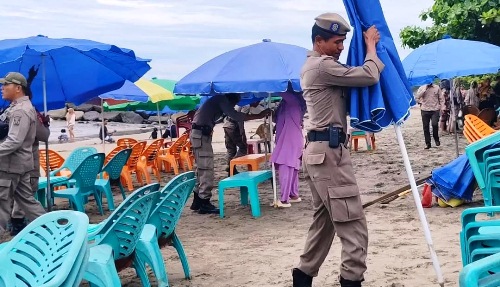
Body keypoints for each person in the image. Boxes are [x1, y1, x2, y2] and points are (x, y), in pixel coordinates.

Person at [292, 13, 384, 287]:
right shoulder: (321, 67)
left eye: (344, 41)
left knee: (325, 223)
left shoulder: (318, 65)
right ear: (319, 41)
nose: (341, 48)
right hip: (329, 153)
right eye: (337, 42)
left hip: (323, 151)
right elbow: (368, 74)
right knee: (353, 225)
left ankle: (303, 275)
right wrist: (370, 46)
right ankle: (351, 280)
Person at [189, 94, 270, 214]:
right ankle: (204, 202)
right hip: (201, 135)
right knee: (206, 168)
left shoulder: (217, 99)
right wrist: (259, 115)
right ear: (232, 98)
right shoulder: (222, 99)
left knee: (201, 168)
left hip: (199, 134)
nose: (233, 106)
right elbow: (235, 115)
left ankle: (197, 201)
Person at [0, 72, 46, 233]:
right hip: (20, 165)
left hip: (10, 166)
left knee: (1, 206)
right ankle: (51, 228)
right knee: (28, 202)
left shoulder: (20, 110)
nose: (2, 88)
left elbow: (14, 141)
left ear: (18, 88)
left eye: (6, 85)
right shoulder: (21, 107)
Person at [270, 92, 306, 208]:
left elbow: (282, 91)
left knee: (286, 167)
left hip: (290, 138)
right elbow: (277, 118)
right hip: (290, 137)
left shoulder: (293, 101)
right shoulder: (287, 104)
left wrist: (270, 85)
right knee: (292, 168)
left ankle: (284, 199)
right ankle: (293, 195)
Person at [223, 100, 262, 176]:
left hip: (226, 125)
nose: (257, 105)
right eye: (257, 102)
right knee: (243, 147)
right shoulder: (246, 105)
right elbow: (241, 118)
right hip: (233, 126)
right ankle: (231, 164)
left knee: (231, 149)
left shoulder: (240, 103)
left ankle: (231, 170)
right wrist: (242, 134)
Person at [416, 83, 445, 149]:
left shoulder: (437, 87)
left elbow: (441, 98)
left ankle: (436, 138)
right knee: (426, 127)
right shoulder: (422, 87)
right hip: (424, 109)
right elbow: (417, 97)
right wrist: (424, 90)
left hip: (435, 109)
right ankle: (428, 143)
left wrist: (442, 107)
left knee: (434, 124)